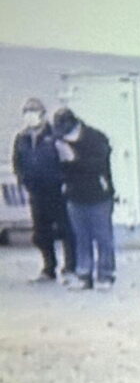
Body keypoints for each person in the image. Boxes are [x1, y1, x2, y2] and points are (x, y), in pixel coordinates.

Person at [11, 98, 76, 284]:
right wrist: (23, 180)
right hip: (36, 192)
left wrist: (64, 181)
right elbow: (17, 162)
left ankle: (70, 268)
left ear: (42, 114)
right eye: (27, 112)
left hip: (57, 191)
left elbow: (68, 161)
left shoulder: (55, 136)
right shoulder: (21, 138)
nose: (30, 116)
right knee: (41, 232)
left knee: (66, 230)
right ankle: (49, 268)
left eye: (34, 111)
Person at [51, 108, 115, 291]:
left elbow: (99, 166)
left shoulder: (96, 138)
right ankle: (84, 275)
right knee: (81, 238)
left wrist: (74, 159)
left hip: (98, 196)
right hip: (74, 196)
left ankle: (105, 275)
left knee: (103, 237)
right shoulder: (59, 140)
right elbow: (58, 168)